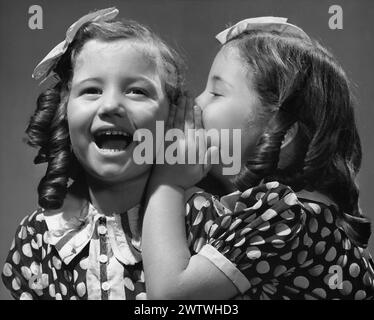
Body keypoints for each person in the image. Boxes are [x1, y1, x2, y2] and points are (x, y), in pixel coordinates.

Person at [142, 17, 374, 300]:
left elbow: (169, 296)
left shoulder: (285, 211)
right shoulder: (313, 216)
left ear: (284, 131)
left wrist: (167, 182)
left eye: (216, 92)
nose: (198, 104)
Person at [1, 7, 184, 300]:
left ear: (174, 117)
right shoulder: (38, 237)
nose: (111, 105)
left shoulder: (203, 219)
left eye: (137, 91)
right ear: (64, 111)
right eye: (92, 90)